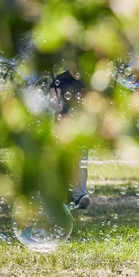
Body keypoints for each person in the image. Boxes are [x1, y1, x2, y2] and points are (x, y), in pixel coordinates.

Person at [49, 67, 90, 209]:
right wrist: (56, 103)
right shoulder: (59, 79)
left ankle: (79, 197)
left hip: (81, 126)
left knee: (80, 162)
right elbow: (53, 98)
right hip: (62, 126)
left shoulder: (88, 80)